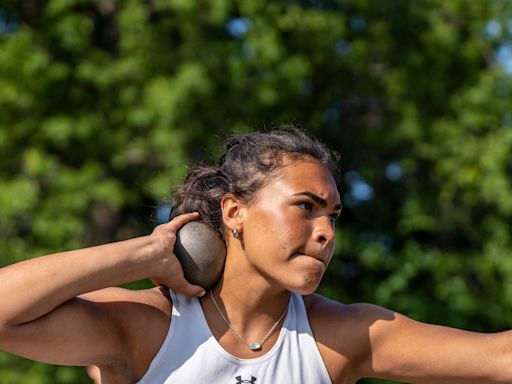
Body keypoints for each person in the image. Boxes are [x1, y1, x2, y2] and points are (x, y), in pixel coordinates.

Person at [0, 128, 511, 384]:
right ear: (233, 211)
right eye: (305, 208)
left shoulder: (339, 338)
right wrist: (140, 254)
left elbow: (500, 358)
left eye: (332, 215)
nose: (325, 232)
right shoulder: (148, 327)